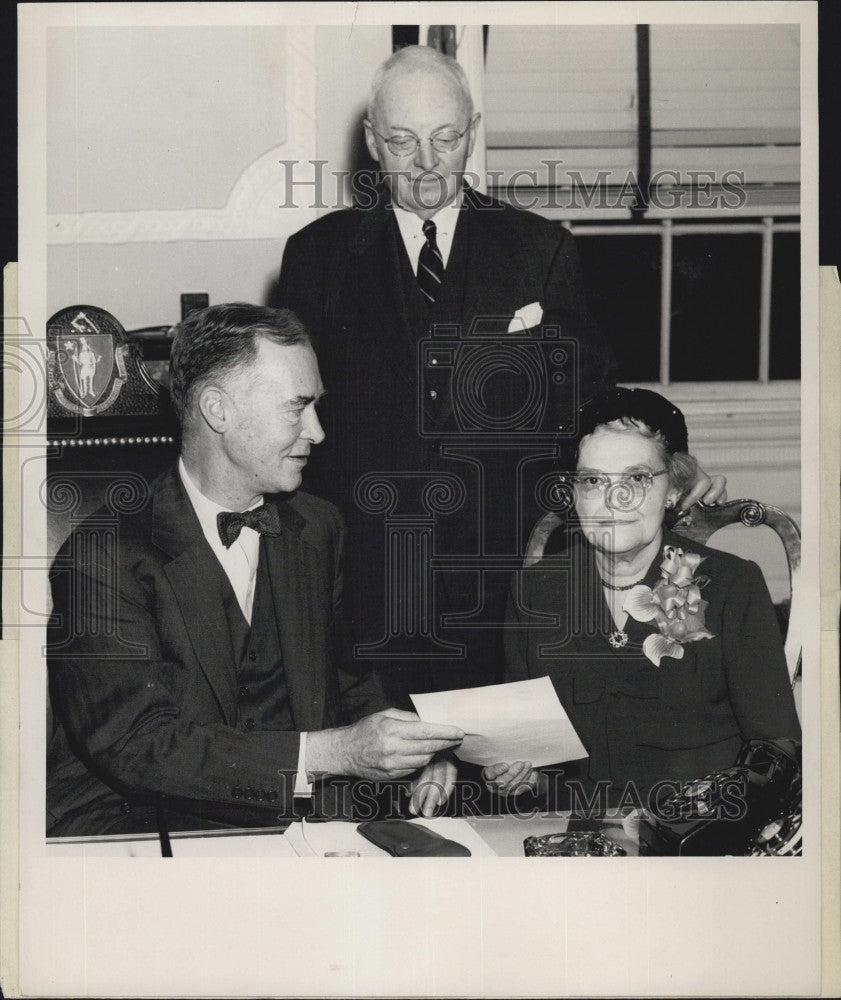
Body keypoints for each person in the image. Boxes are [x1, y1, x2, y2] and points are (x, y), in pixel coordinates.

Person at [276, 45, 726, 704]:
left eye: (445, 138)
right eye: (401, 141)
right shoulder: (315, 257)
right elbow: (290, 417)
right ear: (372, 142)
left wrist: (668, 458)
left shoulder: (539, 250)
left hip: (501, 578)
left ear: (472, 135)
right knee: (379, 785)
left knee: (505, 782)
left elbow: (591, 398)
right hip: (364, 578)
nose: (426, 163)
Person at [46, 304, 463, 837]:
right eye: (298, 407)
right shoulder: (102, 556)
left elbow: (342, 679)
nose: (318, 431)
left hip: (294, 822)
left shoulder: (317, 526)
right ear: (217, 411)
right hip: (137, 826)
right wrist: (334, 752)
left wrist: (413, 751)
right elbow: (137, 746)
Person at [483, 387, 800, 810]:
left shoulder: (728, 584)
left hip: (699, 835)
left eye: (636, 478)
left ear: (673, 489)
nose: (615, 500)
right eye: (594, 480)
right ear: (573, 493)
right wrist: (516, 775)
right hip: (574, 835)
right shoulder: (536, 590)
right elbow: (533, 764)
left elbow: (776, 749)